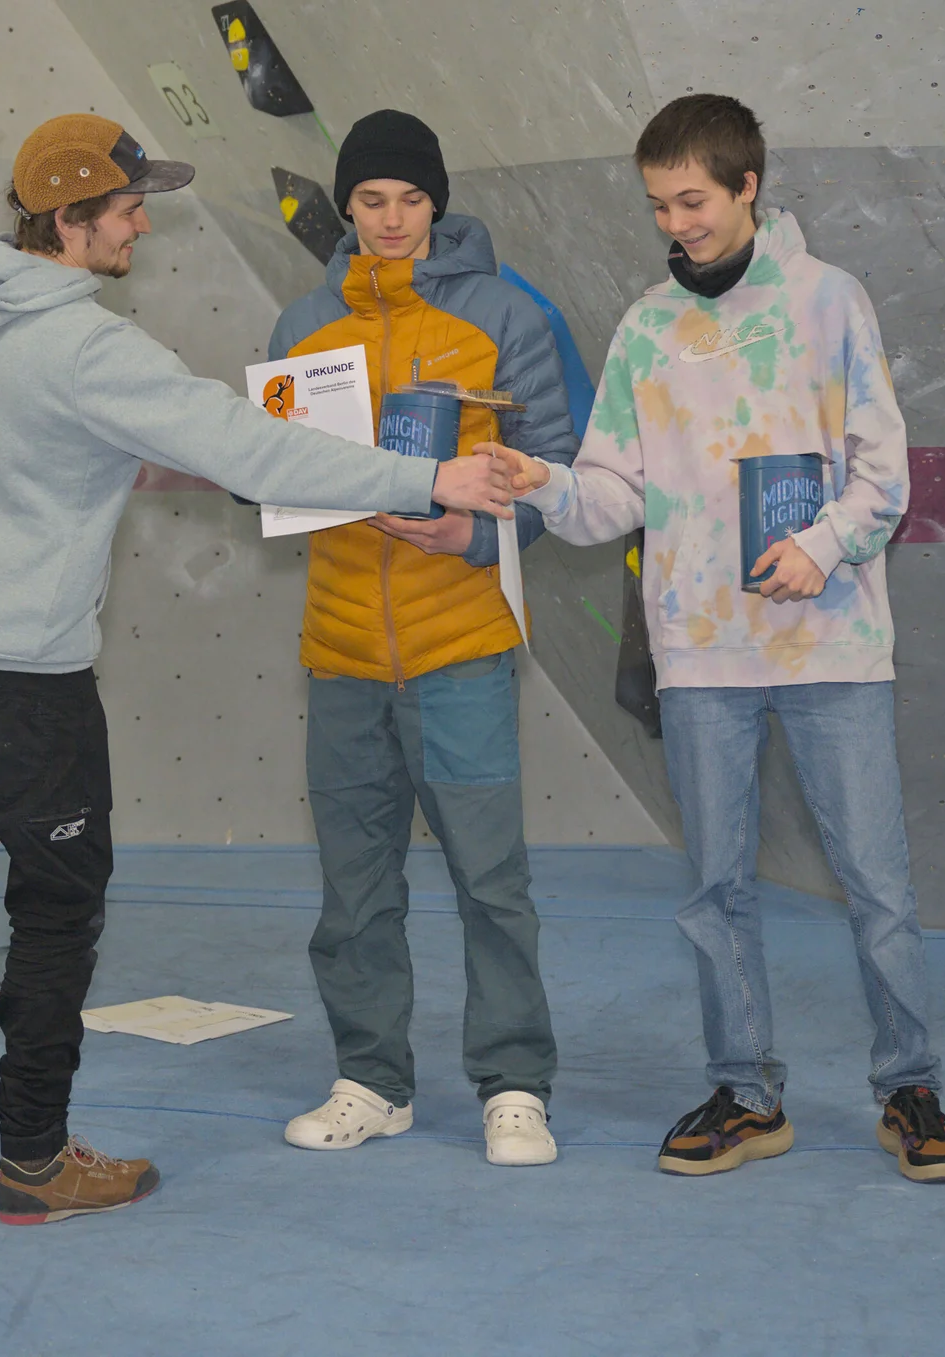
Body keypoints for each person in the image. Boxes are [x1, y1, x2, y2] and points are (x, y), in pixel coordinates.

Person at [0, 113, 520, 1226]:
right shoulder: (88, 347)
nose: (142, 224)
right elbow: (246, 447)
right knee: (59, 908)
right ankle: (38, 1160)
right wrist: (428, 480)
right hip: (27, 676)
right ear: (70, 220)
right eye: (128, 208)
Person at [490, 95, 945, 1182]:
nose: (677, 223)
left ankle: (911, 1086)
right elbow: (615, 490)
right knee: (716, 888)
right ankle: (747, 1092)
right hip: (699, 655)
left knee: (877, 882)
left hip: (830, 649)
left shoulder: (831, 301)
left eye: (694, 200)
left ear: (749, 186)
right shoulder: (646, 327)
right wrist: (547, 484)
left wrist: (826, 543)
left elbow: (884, 471)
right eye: (659, 204)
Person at [265, 110, 578, 1167]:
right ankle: (371, 1080)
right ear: (344, 210)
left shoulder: (500, 316)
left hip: (463, 649)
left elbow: (555, 471)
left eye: (409, 198)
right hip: (342, 654)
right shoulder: (300, 329)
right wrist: (250, 472)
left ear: (436, 203)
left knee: (492, 881)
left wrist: (480, 530)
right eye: (370, 201)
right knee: (353, 890)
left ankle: (516, 1084)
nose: (391, 219)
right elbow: (262, 466)